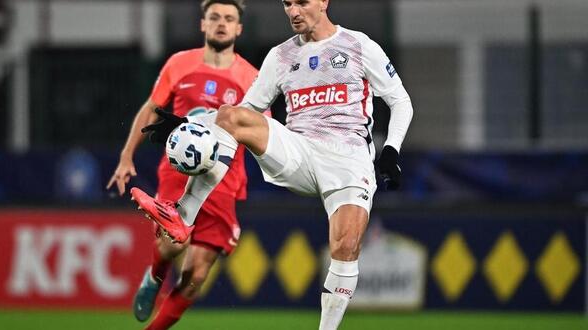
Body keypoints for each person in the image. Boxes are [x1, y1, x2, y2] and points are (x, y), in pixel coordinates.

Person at [131, 0, 414, 329]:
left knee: (346, 245)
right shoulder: (280, 56)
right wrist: (189, 123)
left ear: (323, 1)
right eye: (287, 3)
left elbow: (400, 101)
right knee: (229, 115)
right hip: (299, 151)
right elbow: (245, 110)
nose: (293, 11)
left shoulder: (358, 45)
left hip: (348, 159)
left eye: (302, 2)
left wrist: (392, 150)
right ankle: (182, 216)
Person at [106, 1, 258, 329]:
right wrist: (126, 155)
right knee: (174, 242)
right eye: (214, 17)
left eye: (229, 18)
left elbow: (261, 131)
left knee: (196, 274)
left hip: (223, 179)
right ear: (203, 24)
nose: (221, 23)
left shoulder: (252, 78)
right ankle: (154, 275)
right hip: (179, 171)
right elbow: (151, 108)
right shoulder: (180, 64)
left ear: (238, 28)